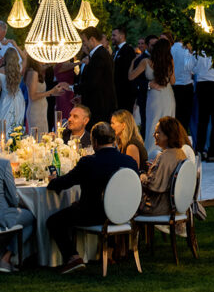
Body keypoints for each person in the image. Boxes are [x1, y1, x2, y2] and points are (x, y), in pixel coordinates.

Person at [46, 121, 139, 274]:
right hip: (125, 214)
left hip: (94, 216)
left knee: (53, 221)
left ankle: (73, 257)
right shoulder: (129, 161)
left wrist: (52, 181)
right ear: (114, 140)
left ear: (94, 141)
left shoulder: (88, 162)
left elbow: (65, 182)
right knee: (76, 207)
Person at [129, 36, 175, 157]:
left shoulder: (146, 62)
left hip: (154, 96)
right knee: (168, 124)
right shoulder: (170, 61)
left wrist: (133, 62)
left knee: (152, 124)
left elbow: (131, 77)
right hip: (168, 95)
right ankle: (168, 152)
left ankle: (150, 154)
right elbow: (173, 81)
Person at [139, 116, 188, 216]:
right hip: (174, 206)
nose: (154, 135)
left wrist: (142, 176)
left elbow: (153, 185)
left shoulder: (164, 156)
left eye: (158, 132)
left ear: (167, 135)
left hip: (158, 207)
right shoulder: (180, 153)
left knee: (129, 203)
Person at [75, 26, 117, 125]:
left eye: (84, 41)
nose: (83, 44)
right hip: (98, 104)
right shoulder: (98, 54)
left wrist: (72, 88)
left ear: (92, 39)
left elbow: (93, 82)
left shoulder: (100, 55)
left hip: (99, 106)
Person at [0, 156, 35, 272]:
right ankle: (6, 258)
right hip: (2, 215)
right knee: (31, 218)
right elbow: (14, 200)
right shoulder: (3, 163)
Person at [192, 44, 214, 161]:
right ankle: (212, 153)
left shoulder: (198, 52)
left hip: (202, 85)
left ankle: (200, 151)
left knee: (203, 120)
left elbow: (192, 69)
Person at [25, 58, 65, 135]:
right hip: (36, 112)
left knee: (43, 137)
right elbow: (32, 96)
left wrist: (53, 93)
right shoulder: (33, 73)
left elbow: (40, 93)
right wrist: (51, 91)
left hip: (41, 110)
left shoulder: (34, 72)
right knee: (38, 138)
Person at [169, 34, 195, 132]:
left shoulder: (170, 50)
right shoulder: (187, 50)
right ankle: (182, 137)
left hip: (173, 86)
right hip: (186, 85)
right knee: (185, 116)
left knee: (175, 114)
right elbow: (192, 69)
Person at [0, 48, 25, 136]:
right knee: (16, 124)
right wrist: (15, 44)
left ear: (5, 57)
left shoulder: (1, 71)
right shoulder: (19, 69)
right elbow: (25, 58)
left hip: (6, 99)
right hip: (18, 98)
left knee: (4, 123)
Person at [130, 36, 152, 139]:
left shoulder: (158, 58)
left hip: (158, 96)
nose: (140, 45)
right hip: (144, 95)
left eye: (142, 43)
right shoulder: (140, 59)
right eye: (139, 43)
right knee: (145, 122)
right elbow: (135, 79)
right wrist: (148, 86)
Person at [111, 25, 136, 113]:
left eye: (114, 35)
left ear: (122, 36)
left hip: (125, 93)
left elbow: (127, 72)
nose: (112, 38)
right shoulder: (115, 51)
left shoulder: (128, 50)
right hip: (116, 93)